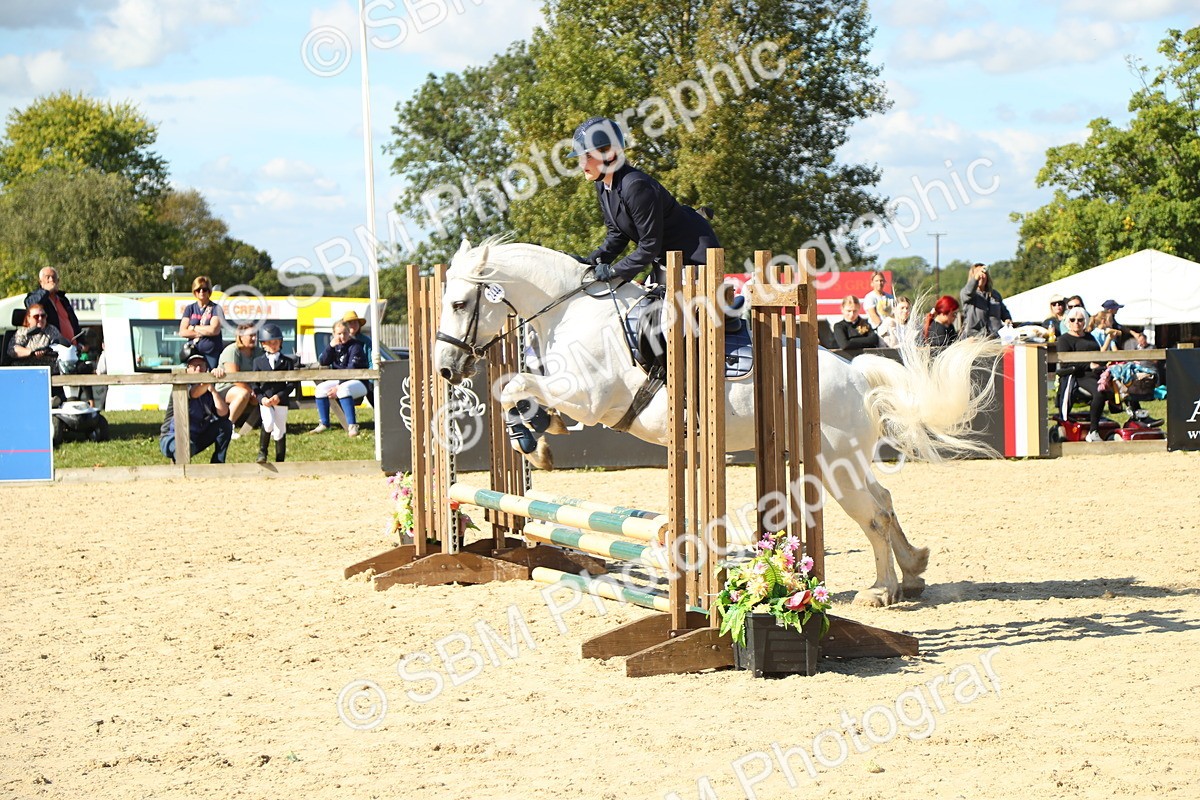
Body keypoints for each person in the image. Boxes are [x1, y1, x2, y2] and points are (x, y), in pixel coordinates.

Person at [570, 116, 720, 285]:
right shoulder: (604, 185)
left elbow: (649, 245)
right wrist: (588, 262)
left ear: (610, 154)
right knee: (641, 309)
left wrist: (614, 271)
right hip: (666, 262)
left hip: (693, 260)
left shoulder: (635, 186)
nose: (582, 164)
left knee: (659, 310)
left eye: (588, 156)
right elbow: (616, 235)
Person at [159, 346, 233, 464]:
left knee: (226, 425)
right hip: (172, 437)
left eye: (201, 366)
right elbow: (194, 393)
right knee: (185, 447)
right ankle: (180, 471)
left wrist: (213, 389)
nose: (198, 369)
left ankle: (218, 464)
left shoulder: (208, 390)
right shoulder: (182, 386)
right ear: (187, 369)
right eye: (194, 366)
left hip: (196, 437)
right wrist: (209, 380)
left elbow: (223, 413)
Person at [310, 320, 368, 437]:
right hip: (342, 381)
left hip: (359, 381)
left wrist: (337, 387)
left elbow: (351, 369)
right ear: (334, 334)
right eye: (339, 334)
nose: (342, 336)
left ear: (349, 333)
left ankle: (352, 426)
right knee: (320, 389)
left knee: (343, 389)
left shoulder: (355, 346)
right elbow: (323, 361)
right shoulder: (335, 346)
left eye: (345, 333)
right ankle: (324, 424)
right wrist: (330, 346)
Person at [252, 323, 296, 463]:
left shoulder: (288, 361)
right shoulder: (258, 362)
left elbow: (291, 384)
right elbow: (255, 384)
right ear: (263, 344)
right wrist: (261, 399)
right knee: (268, 422)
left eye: (276, 342)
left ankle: (280, 459)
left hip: (280, 401)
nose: (273, 345)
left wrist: (280, 396)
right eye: (270, 343)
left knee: (280, 429)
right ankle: (262, 452)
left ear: (281, 342)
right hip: (265, 400)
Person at [212, 323, 262, 436]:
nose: (254, 338)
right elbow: (234, 378)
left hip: (249, 388)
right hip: (226, 387)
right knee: (243, 394)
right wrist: (251, 391)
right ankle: (227, 428)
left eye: (255, 335)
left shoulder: (258, 352)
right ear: (241, 336)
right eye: (250, 335)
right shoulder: (231, 350)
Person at [25, 267, 82, 348]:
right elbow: (31, 305)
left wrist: (80, 341)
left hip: (72, 348)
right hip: (51, 349)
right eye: (47, 277)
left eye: (54, 277)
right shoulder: (35, 296)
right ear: (40, 282)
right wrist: (46, 291)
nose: (51, 280)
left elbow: (74, 322)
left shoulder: (63, 300)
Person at [178, 276, 226, 369]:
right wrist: (204, 331)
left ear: (209, 291)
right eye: (198, 289)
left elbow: (214, 330)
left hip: (211, 353)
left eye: (204, 289)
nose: (201, 292)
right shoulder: (190, 308)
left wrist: (194, 327)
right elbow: (183, 331)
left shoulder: (216, 308)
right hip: (193, 353)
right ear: (194, 291)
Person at [7, 304, 71, 370]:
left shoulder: (51, 330)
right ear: (28, 318)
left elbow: (60, 345)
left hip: (50, 369)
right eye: (36, 316)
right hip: (26, 369)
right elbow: (12, 350)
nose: (40, 319)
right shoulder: (23, 332)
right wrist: (32, 352)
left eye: (43, 316)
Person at [959, 262, 1010, 337]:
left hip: (994, 338)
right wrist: (976, 278)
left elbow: (1004, 311)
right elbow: (968, 291)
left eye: (983, 273)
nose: (981, 276)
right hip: (974, 339)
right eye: (977, 273)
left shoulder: (995, 295)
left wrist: (1007, 319)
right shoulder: (967, 293)